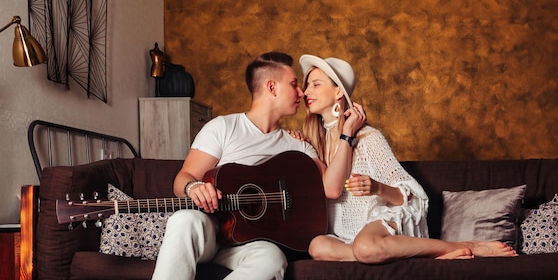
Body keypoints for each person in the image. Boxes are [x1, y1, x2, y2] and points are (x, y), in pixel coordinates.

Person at [151, 51, 365, 280]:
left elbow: (329, 188)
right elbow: (184, 178)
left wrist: (346, 135)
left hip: (249, 245)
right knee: (184, 219)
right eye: (294, 84)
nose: (302, 93)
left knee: (272, 259)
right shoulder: (222, 127)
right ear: (272, 88)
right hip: (211, 232)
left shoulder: (299, 145)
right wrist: (193, 188)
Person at [298, 54, 518, 262]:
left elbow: (410, 197)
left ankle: (463, 245)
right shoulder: (313, 143)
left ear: (339, 92)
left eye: (316, 84)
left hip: (378, 223)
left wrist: (376, 188)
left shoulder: (368, 137)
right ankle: (396, 254)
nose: (306, 91)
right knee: (317, 246)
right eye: (306, 84)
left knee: (366, 247)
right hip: (344, 235)